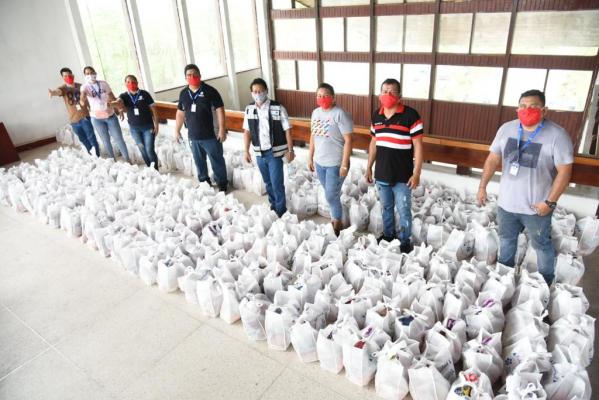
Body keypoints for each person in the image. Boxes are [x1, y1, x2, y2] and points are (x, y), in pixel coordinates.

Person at [478, 89, 573, 283]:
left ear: (544, 110)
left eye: (533, 106)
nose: (527, 110)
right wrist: (482, 186)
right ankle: (504, 281)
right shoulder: (506, 129)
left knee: (541, 245)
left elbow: (564, 172)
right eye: (523, 106)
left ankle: (545, 282)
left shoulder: (557, 135)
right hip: (507, 204)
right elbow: (492, 159)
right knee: (506, 242)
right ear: (517, 109)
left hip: (537, 208)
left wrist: (550, 202)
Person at [365, 78, 423, 253]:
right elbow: (374, 142)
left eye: (392, 92)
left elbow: (418, 146)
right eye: (384, 91)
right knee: (386, 208)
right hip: (382, 174)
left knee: (404, 210)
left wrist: (417, 173)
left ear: (400, 96)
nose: (387, 95)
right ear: (379, 94)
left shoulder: (411, 115)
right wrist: (369, 166)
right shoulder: (377, 115)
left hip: (403, 176)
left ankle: (404, 241)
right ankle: (388, 235)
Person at [242, 78, 294, 217]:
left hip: (275, 153)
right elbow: (247, 131)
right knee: (268, 183)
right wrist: (246, 150)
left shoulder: (278, 108)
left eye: (260, 91)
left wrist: (290, 150)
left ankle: (281, 211)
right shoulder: (249, 109)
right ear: (251, 93)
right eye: (255, 91)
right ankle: (273, 206)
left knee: (277, 183)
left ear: (266, 91)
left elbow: (287, 130)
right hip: (259, 153)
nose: (258, 94)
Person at [308, 83, 353, 235]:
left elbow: (348, 140)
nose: (322, 98)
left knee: (330, 195)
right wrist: (310, 157)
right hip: (320, 162)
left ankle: (337, 226)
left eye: (325, 95)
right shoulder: (315, 113)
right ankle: (335, 218)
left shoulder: (339, 114)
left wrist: (345, 164)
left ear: (333, 98)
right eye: (319, 95)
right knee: (331, 194)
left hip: (336, 163)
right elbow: (313, 136)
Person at [175, 64, 228, 191]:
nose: (192, 77)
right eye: (189, 75)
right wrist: (177, 130)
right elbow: (180, 113)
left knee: (217, 160)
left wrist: (222, 129)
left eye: (194, 74)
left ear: (200, 75)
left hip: (211, 135)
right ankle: (204, 182)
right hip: (193, 135)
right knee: (199, 161)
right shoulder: (183, 93)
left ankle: (222, 183)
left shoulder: (210, 91)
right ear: (185, 77)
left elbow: (220, 110)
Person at [80, 66, 130, 163]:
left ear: (95, 73)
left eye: (91, 72)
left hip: (110, 116)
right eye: (87, 73)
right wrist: (82, 100)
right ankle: (113, 161)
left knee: (119, 139)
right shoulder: (85, 87)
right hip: (97, 119)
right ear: (85, 76)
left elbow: (113, 98)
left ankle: (128, 160)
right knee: (106, 141)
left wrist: (119, 109)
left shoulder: (103, 84)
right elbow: (82, 98)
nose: (90, 75)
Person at [112, 75, 159, 170]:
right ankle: (150, 168)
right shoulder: (124, 96)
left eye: (133, 82)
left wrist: (156, 125)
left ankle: (155, 169)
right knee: (142, 148)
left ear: (137, 83)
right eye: (128, 82)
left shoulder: (145, 94)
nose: (131, 84)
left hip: (148, 127)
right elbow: (119, 102)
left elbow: (154, 110)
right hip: (134, 129)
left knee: (149, 149)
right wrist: (114, 105)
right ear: (125, 84)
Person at [48, 67, 99, 156]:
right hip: (74, 120)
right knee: (83, 139)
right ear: (62, 78)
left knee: (91, 137)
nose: (68, 77)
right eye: (65, 76)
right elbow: (58, 91)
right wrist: (52, 92)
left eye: (69, 75)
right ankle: (91, 153)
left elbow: (89, 99)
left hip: (85, 117)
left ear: (73, 75)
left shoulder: (81, 86)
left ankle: (97, 155)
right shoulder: (63, 88)